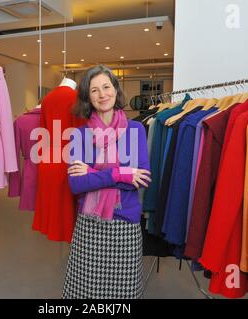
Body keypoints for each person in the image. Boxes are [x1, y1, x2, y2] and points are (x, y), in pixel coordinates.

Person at [62, 65, 151, 299]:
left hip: (125, 224)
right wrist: (119, 174)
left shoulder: (136, 130)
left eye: (106, 87)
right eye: (94, 90)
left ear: (115, 89)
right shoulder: (80, 135)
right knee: (86, 292)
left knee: (123, 294)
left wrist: (92, 172)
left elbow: (140, 179)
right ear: (87, 97)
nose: (102, 95)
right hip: (90, 226)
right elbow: (76, 185)